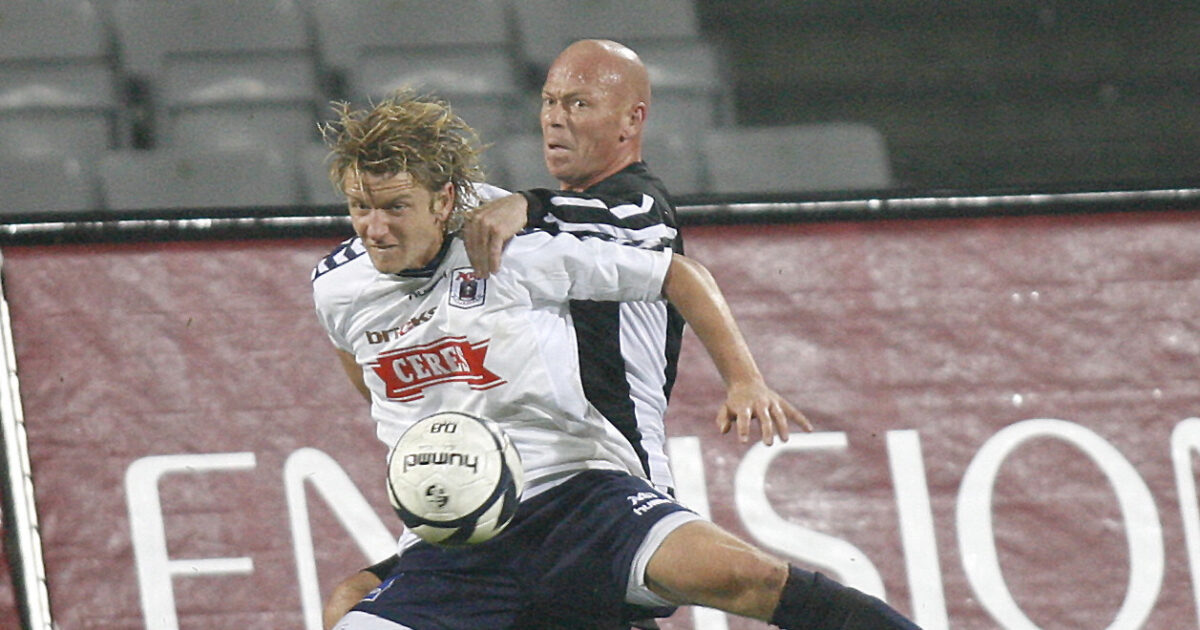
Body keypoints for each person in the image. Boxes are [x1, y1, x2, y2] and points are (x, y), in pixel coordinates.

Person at [312, 90, 921, 630]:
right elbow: (367, 374)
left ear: (444, 201)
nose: (375, 228)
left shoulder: (514, 252)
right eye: (360, 206)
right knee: (347, 611)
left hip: (577, 496)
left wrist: (744, 379)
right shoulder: (337, 287)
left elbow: (677, 274)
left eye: (395, 207)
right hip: (456, 532)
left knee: (751, 579)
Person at [324, 38, 687, 629]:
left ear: (631, 120)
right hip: (530, 482)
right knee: (351, 598)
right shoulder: (544, 230)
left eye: (577, 104)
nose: (553, 118)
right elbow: (367, 364)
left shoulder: (638, 208)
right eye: (548, 101)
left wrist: (526, 203)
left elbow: (673, 269)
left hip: (605, 477)